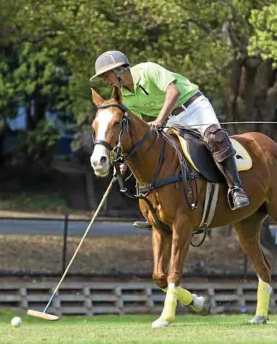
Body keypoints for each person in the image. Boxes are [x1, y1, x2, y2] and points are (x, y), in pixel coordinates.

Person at [90, 51, 250, 229]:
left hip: (193, 106)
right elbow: (139, 126)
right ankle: (156, 211)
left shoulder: (148, 70)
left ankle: (236, 188)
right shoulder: (123, 97)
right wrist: (126, 160)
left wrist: (159, 120)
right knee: (151, 153)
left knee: (216, 138)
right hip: (170, 118)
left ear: (119, 70)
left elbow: (173, 92)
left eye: (106, 75)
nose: (105, 80)